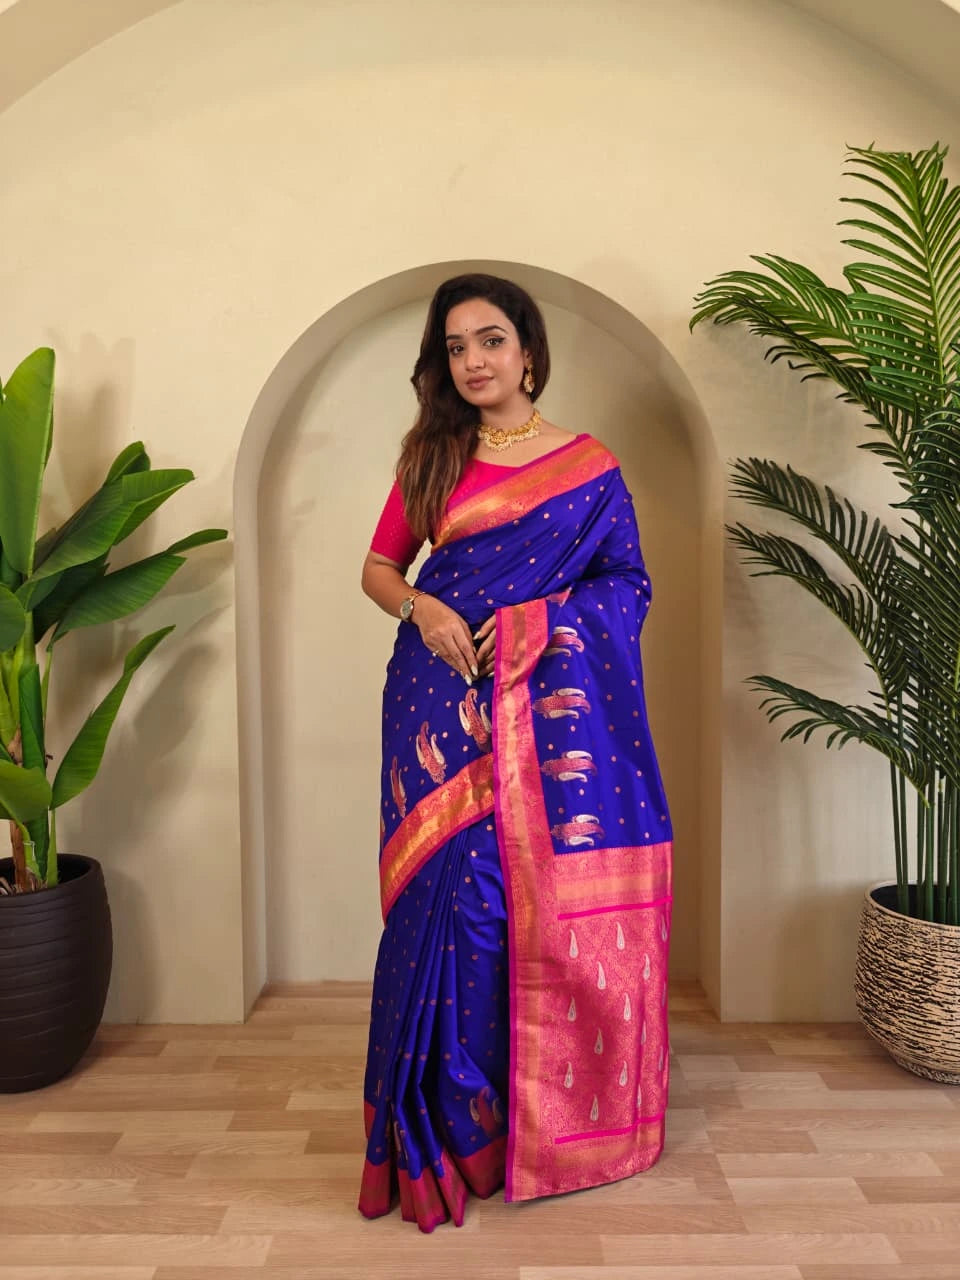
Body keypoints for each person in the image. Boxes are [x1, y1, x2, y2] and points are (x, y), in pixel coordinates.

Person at [358, 273, 672, 1233]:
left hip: (542, 712)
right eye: (455, 348)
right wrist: (426, 604)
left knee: (507, 912)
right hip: (434, 704)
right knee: (447, 909)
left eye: (490, 340)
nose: (474, 361)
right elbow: (377, 569)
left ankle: (519, 1118)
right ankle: (447, 1132)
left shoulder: (589, 468)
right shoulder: (434, 458)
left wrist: (540, 622)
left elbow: (630, 584)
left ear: (528, 351)